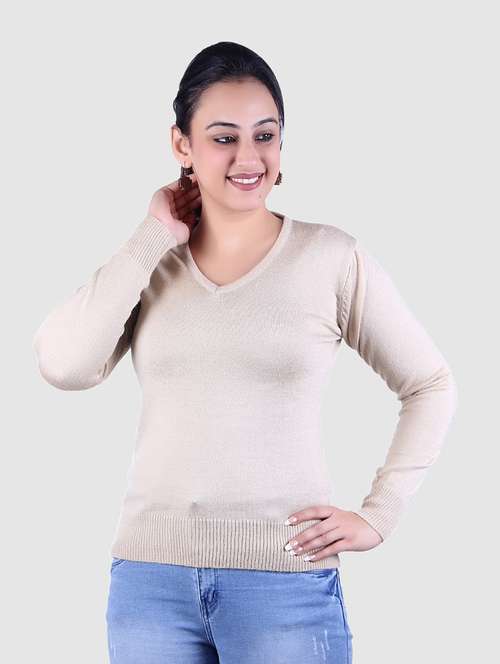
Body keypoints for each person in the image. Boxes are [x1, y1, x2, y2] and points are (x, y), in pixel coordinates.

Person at [32, 41, 458, 664]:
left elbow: (430, 384)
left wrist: (380, 514)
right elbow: (64, 365)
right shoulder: (152, 263)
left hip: (285, 585)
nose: (248, 157)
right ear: (182, 145)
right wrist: (152, 236)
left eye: (265, 135)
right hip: (150, 584)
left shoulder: (329, 258)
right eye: (223, 138)